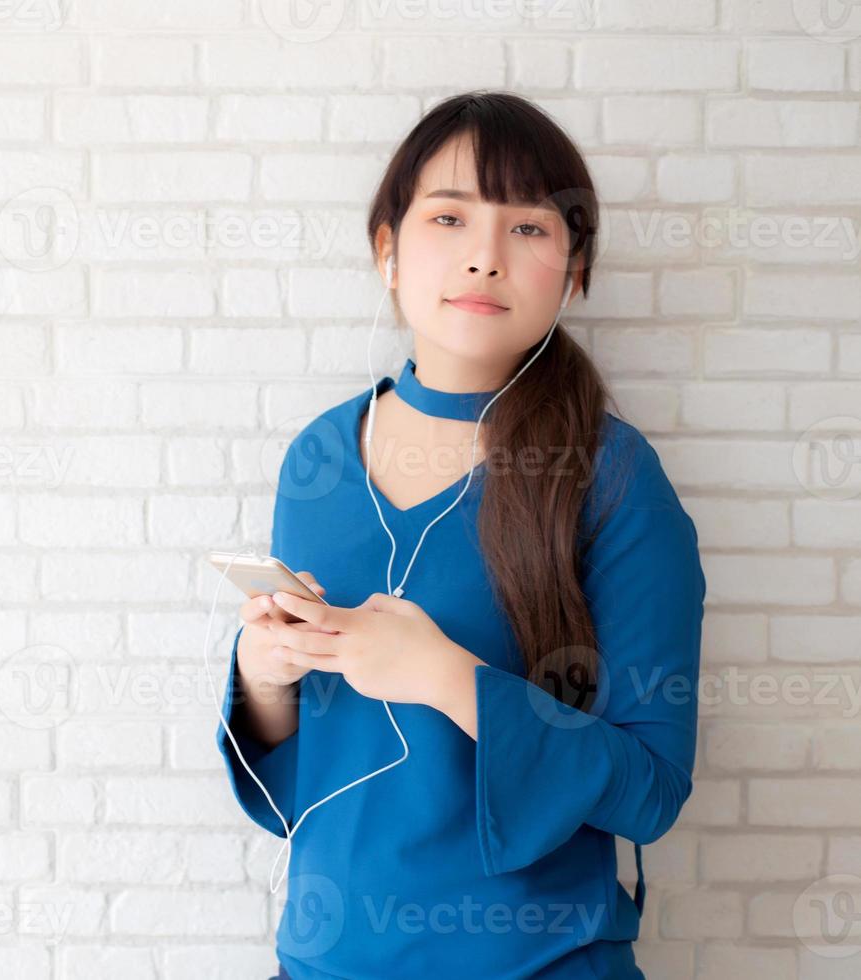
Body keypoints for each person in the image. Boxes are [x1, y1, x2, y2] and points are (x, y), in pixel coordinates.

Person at [217, 91, 706, 979]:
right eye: (450, 218)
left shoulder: (613, 478)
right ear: (387, 252)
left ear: (576, 270)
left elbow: (652, 787)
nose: (484, 259)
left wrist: (451, 680)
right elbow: (305, 766)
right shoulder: (318, 459)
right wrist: (263, 676)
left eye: (528, 229)